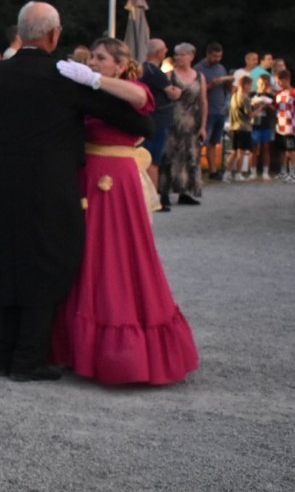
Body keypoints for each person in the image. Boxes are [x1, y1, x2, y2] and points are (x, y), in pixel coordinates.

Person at [0, 2, 153, 383]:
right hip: (51, 189)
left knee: (5, 260)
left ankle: (4, 352)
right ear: (54, 35)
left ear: (20, 34)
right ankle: (29, 358)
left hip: (3, 187)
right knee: (46, 264)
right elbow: (137, 119)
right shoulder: (65, 77)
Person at [50, 38, 199, 385]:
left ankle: (124, 351)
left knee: (118, 255)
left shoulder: (131, 88)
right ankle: (79, 347)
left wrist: (94, 80)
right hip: (87, 177)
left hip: (116, 180)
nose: (94, 62)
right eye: (93, 57)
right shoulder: (87, 93)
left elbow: (142, 99)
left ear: (120, 65)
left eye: (101, 58)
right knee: (85, 255)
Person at [157, 43, 207, 209]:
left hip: (192, 121)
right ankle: (163, 192)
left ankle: (185, 191)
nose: (178, 57)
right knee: (168, 155)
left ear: (191, 56)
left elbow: (203, 101)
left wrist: (203, 126)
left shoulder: (199, 77)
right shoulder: (169, 75)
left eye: (182, 54)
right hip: (172, 119)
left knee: (190, 156)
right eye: (176, 54)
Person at [139, 39, 180, 192]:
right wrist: (178, 90)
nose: (166, 51)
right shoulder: (155, 72)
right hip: (159, 118)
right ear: (158, 53)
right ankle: (153, 196)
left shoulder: (142, 69)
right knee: (154, 160)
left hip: (148, 117)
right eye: (164, 49)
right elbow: (172, 93)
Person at [194, 42, 231, 180]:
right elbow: (195, 91)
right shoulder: (199, 69)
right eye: (215, 56)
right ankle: (196, 169)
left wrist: (229, 83)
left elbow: (226, 89)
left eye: (219, 56)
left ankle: (213, 170)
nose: (217, 59)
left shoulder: (221, 68)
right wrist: (211, 85)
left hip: (219, 109)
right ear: (208, 54)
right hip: (206, 111)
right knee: (201, 142)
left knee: (214, 142)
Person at [274, 68, 295, 182]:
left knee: (290, 149)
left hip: (290, 126)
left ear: (287, 80)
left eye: (280, 81)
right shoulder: (278, 94)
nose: (279, 84)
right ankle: (283, 171)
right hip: (279, 125)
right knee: (282, 150)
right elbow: (276, 107)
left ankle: (292, 172)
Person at [225, 75, 254, 182]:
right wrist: (260, 108)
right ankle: (238, 173)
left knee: (234, 151)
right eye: (250, 85)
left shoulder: (234, 95)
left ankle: (227, 173)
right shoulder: (245, 98)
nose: (251, 87)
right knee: (241, 152)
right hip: (243, 127)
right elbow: (249, 115)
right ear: (245, 85)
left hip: (234, 126)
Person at [250, 74, 276, 180]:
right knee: (254, 148)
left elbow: (275, 112)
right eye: (261, 83)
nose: (263, 85)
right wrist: (255, 105)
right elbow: (248, 108)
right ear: (258, 83)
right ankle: (253, 172)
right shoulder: (252, 95)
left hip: (266, 124)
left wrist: (268, 106)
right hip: (255, 124)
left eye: (266, 83)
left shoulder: (271, 97)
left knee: (266, 147)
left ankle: (266, 172)